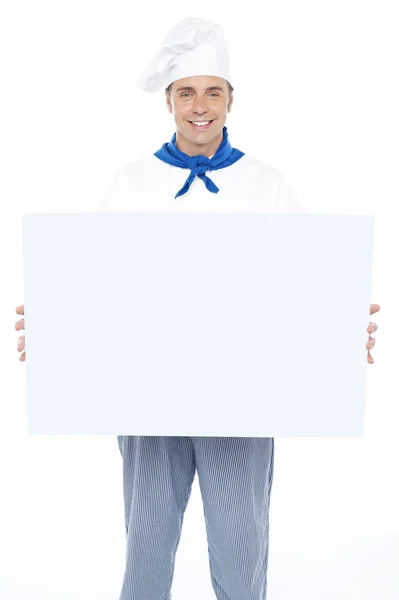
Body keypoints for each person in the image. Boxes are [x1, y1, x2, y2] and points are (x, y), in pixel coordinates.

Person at [15, 17, 381, 600]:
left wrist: (342, 326)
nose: (200, 106)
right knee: (149, 547)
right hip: (145, 396)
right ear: (169, 100)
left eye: (214, 91)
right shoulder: (131, 184)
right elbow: (93, 282)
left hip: (241, 397)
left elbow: (312, 284)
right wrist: (55, 322)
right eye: (187, 92)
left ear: (232, 100)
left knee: (241, 552)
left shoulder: (268, 186)